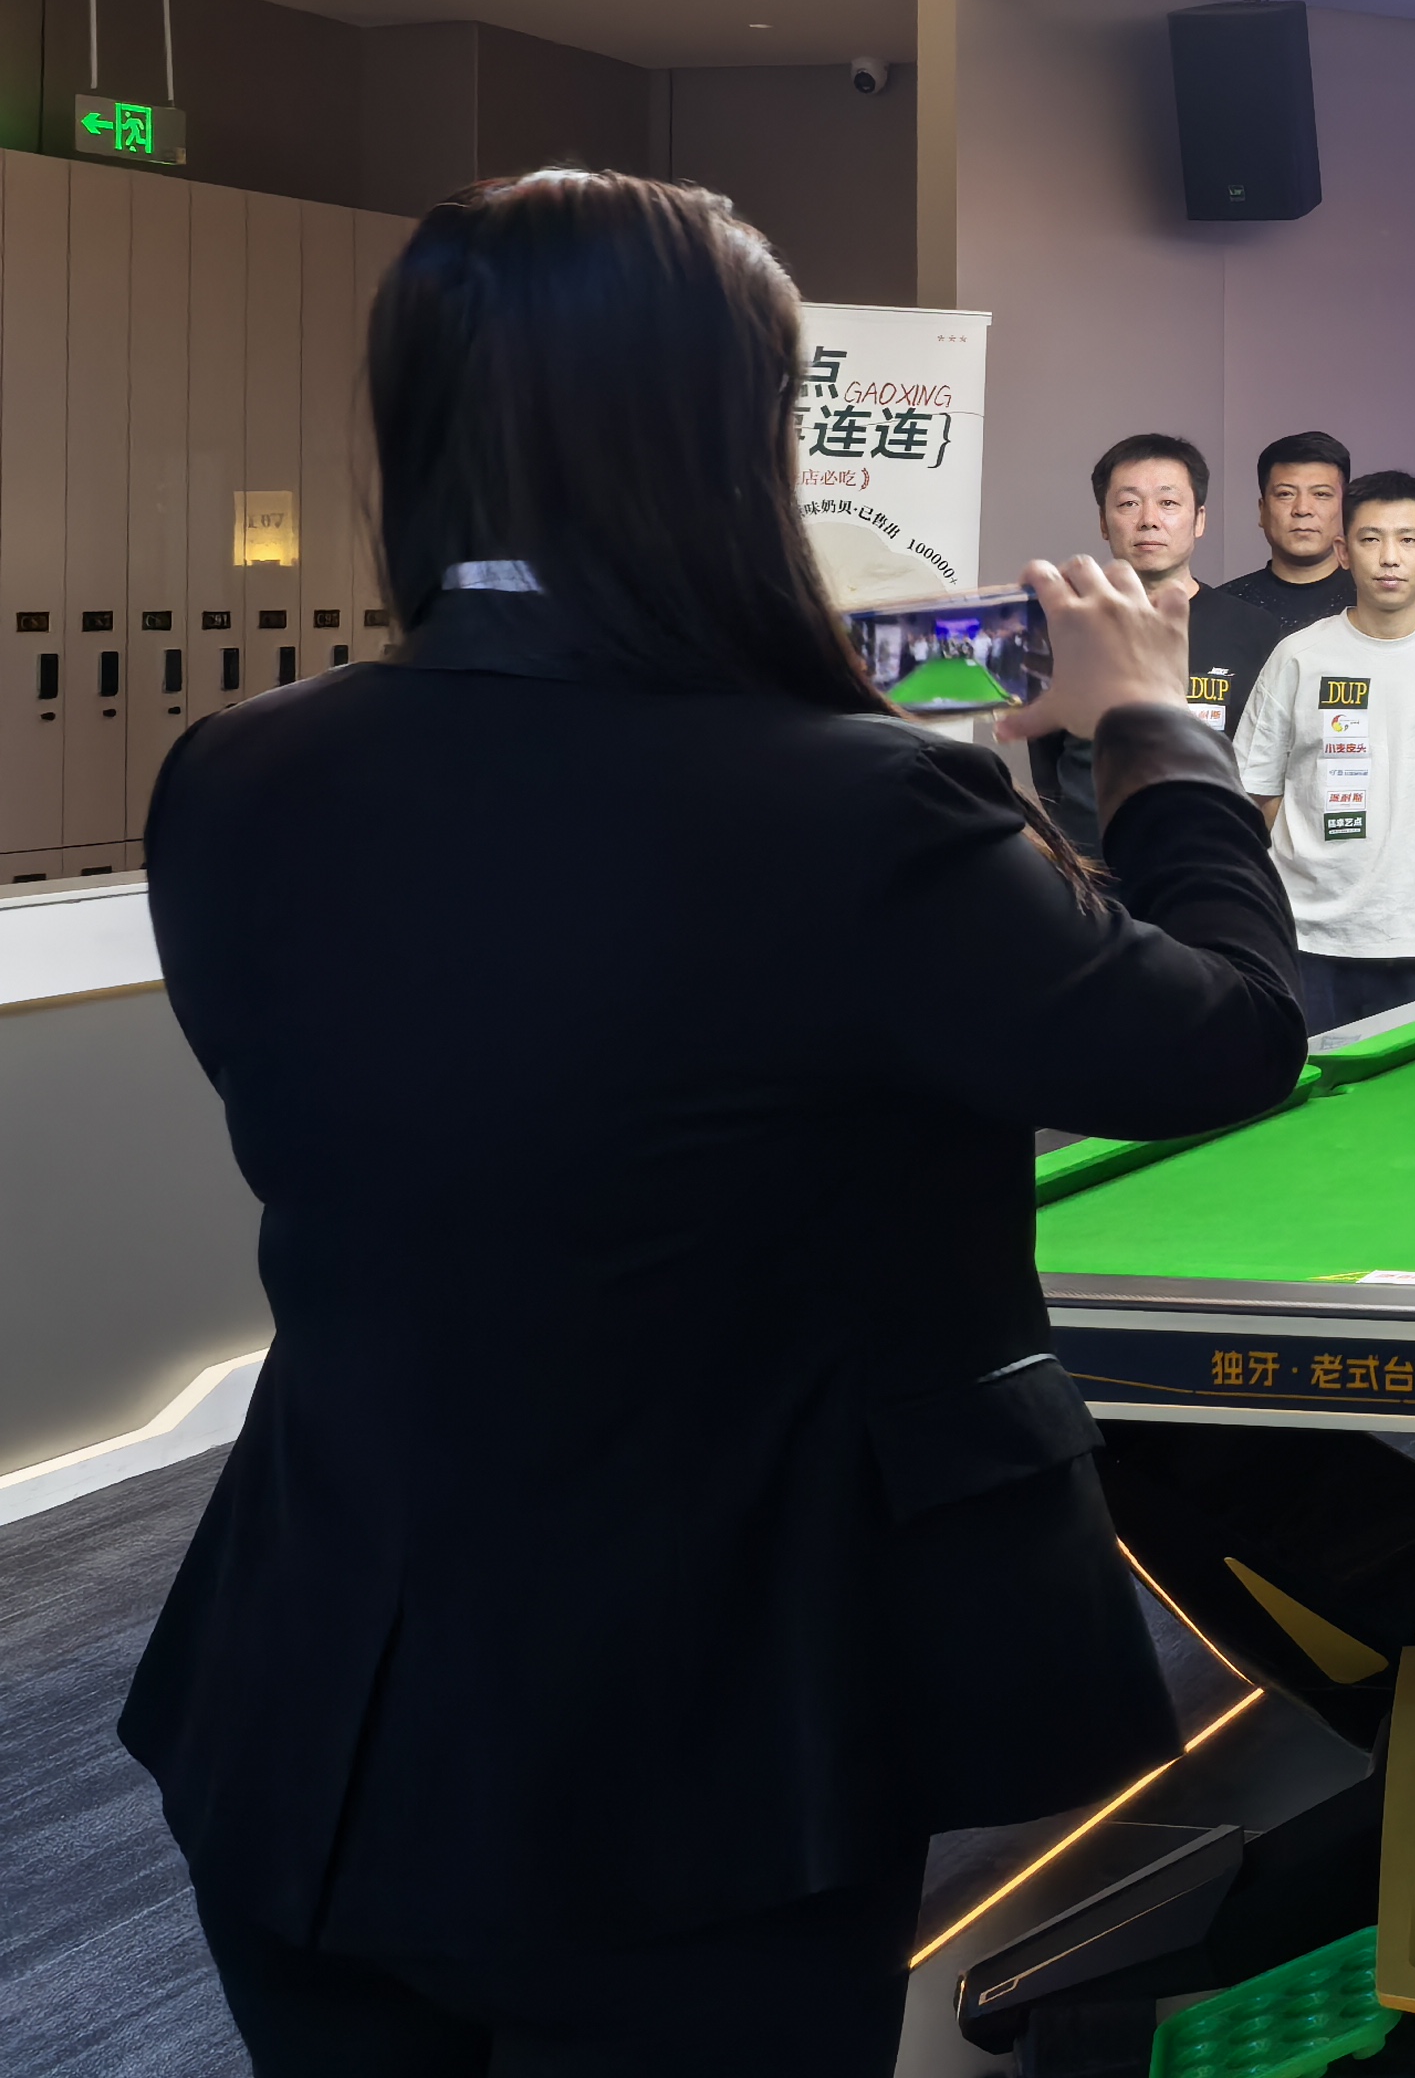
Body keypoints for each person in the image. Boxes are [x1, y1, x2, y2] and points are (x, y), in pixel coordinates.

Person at [121, 172, 1303, 2076]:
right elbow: (1226, 1037)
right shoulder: (856, 810)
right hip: (706, 1747)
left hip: (302, 1694)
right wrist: (1158, 732)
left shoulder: (238, 771)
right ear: (730, 433)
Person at [1231, 469, 1415, 1032]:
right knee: (1310, 1082)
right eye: (1370, 539)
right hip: (1309, 935)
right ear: (1343, 551)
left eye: (1408, 539)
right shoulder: (1298, 656)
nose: (1389, 557)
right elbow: (1256, 790)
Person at [1030, 430, 1210, 859]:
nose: (1149, 520)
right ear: (1103, 521)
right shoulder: (1061, 626)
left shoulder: (1253, 629)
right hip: (1091, 869)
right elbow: (1048, 766)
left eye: (1168, 503)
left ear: (1199, 519)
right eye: (1129, 504)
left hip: (1204, 863)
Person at [1187, 430, 1355, 720]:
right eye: (1286, 494)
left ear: (1346, 508)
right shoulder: (1222, 608)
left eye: (1321, 494)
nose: (1303, 509)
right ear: (1262, 511)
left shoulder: (1373, 605)